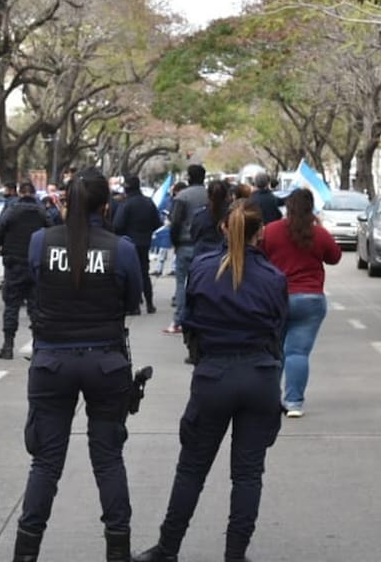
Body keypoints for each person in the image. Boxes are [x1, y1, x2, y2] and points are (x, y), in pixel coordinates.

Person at [133, 199, 288, 562]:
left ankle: (167, 548)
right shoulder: (274, 278)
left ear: (222, 228)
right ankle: (235, 555)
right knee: (248, 475)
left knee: (191, 468)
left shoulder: (201, 270)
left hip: (214, 375)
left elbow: (190, 321)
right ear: (260, 232)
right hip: (260, 375)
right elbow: (279, 330)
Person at [10, 168, 144, 562]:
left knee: (45, 462)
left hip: (52, 361)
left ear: (65, 201)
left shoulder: (40, 242)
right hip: (106, 360)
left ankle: (26, 552)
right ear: (107, 205)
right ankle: (118, 550)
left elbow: (33, 285)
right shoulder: (120, 249)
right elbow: (132, 299)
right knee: (108, 458)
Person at [260, 187, 341, 418]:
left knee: (274, 352)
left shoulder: (271, 231)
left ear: (288, 207)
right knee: (297, 353)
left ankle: (268, 401)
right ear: (310, 208)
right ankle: (294, 403)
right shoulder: (318, 234)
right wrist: (321, 229)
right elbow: (334, 257)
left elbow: (258, 256)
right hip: (310, 300)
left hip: (277, 298)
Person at [0, 181, 51, 359]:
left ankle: (8, 346)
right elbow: (52, 232)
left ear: (20, 193)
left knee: (11, 306)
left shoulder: (12, 210)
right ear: (33, 193)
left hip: (14, 264)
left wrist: (0, 245)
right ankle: (38, 345)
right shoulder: (41, 212)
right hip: (36, 265)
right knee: (36, 307)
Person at [165, 164, 208, 335]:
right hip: (206, 245)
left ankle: (179, 320)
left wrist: (175, 243)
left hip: (185, 244)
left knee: (182, 283)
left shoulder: (182, 196)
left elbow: (175, 223)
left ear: (189, 177)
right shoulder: (210, 196)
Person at [112, 175, 162, 315]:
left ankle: (135, 305)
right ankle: (150, 304)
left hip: (129, 242)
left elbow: (117, 224)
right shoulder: (148, 202)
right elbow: (157, 223)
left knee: (131, 273)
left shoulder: (126, 204)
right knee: (144, 272)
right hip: (145, 242)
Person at [189, 180, 231, 258]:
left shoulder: (199, 216)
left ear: (208, 195)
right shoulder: (233, 216)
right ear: (227, 196)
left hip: (202, 259)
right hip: (227, 259)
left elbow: (193, 236)